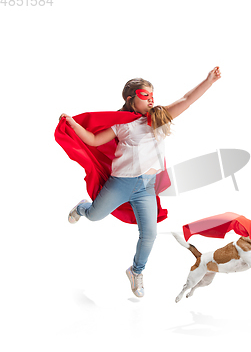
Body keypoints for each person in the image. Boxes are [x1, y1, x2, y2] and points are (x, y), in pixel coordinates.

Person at [59, 67, 222, 297]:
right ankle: (82, 208)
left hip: (145, 188)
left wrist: (209, 81)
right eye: (145, 95)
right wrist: (74, 125)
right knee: (94, 216)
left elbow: (187, 100)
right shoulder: (121, 124)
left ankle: (136, 271)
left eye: (152, 95)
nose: (151, 99)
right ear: (130, 98)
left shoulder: (158, 117)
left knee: (149, 234)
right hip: (120, 184)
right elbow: (95, 140)